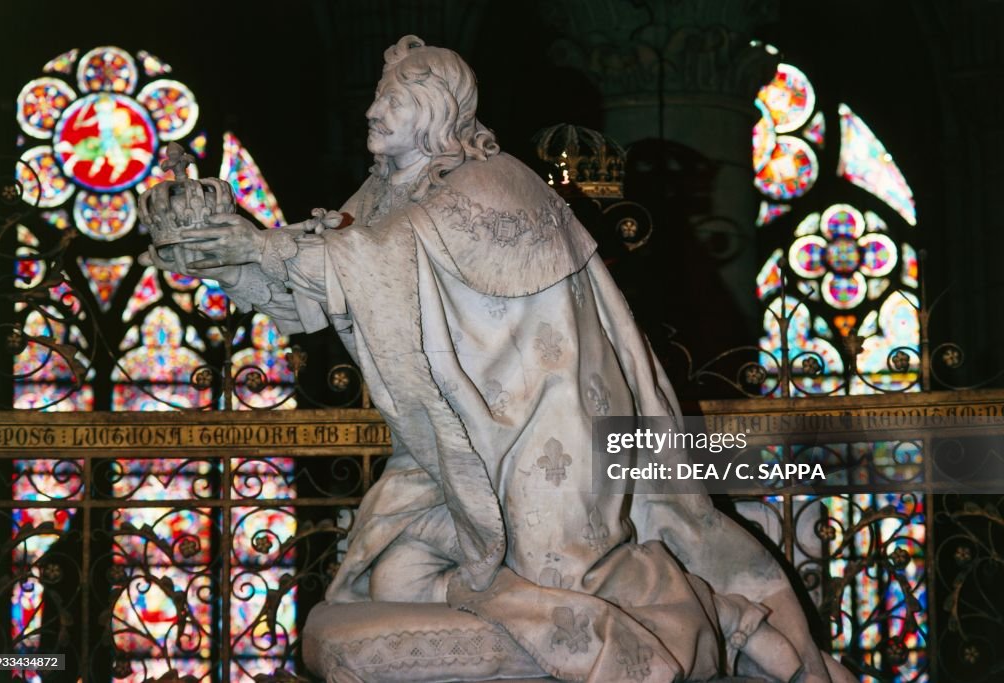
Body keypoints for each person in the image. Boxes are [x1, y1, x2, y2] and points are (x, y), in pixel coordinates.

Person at [142, 35, 856, 683]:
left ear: (433, 112)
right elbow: (320, 286)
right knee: (390, 578)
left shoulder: (492, 185)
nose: (373, 111)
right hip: (456, 450)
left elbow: (376, 259)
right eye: (377, 96)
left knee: (567, 577)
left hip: (546, 434)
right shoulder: (387, 195)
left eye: (391, 99)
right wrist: (224, 254)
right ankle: (714, 623)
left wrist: (257, 244)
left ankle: (708, 626)